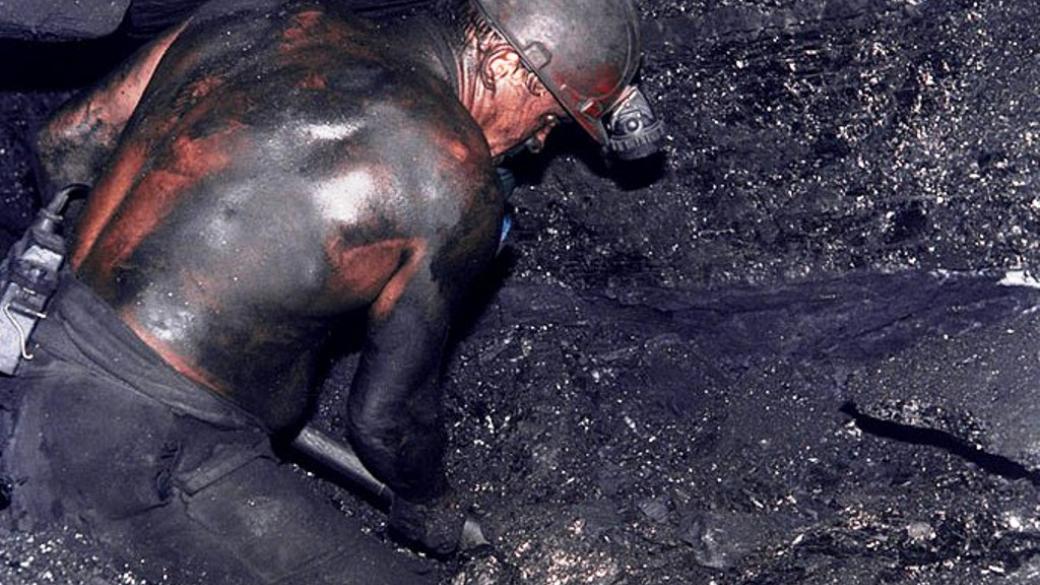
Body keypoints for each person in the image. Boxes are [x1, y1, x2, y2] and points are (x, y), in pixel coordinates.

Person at [0, 0, 661, 582]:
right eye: (550, 118)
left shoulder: (252, 15)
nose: (541, 143)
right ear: (505, 63)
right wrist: (427, 500)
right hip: (139, 447)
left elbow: (66, 143)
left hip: (27, 346)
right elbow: (386, 420)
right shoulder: (450, 174)